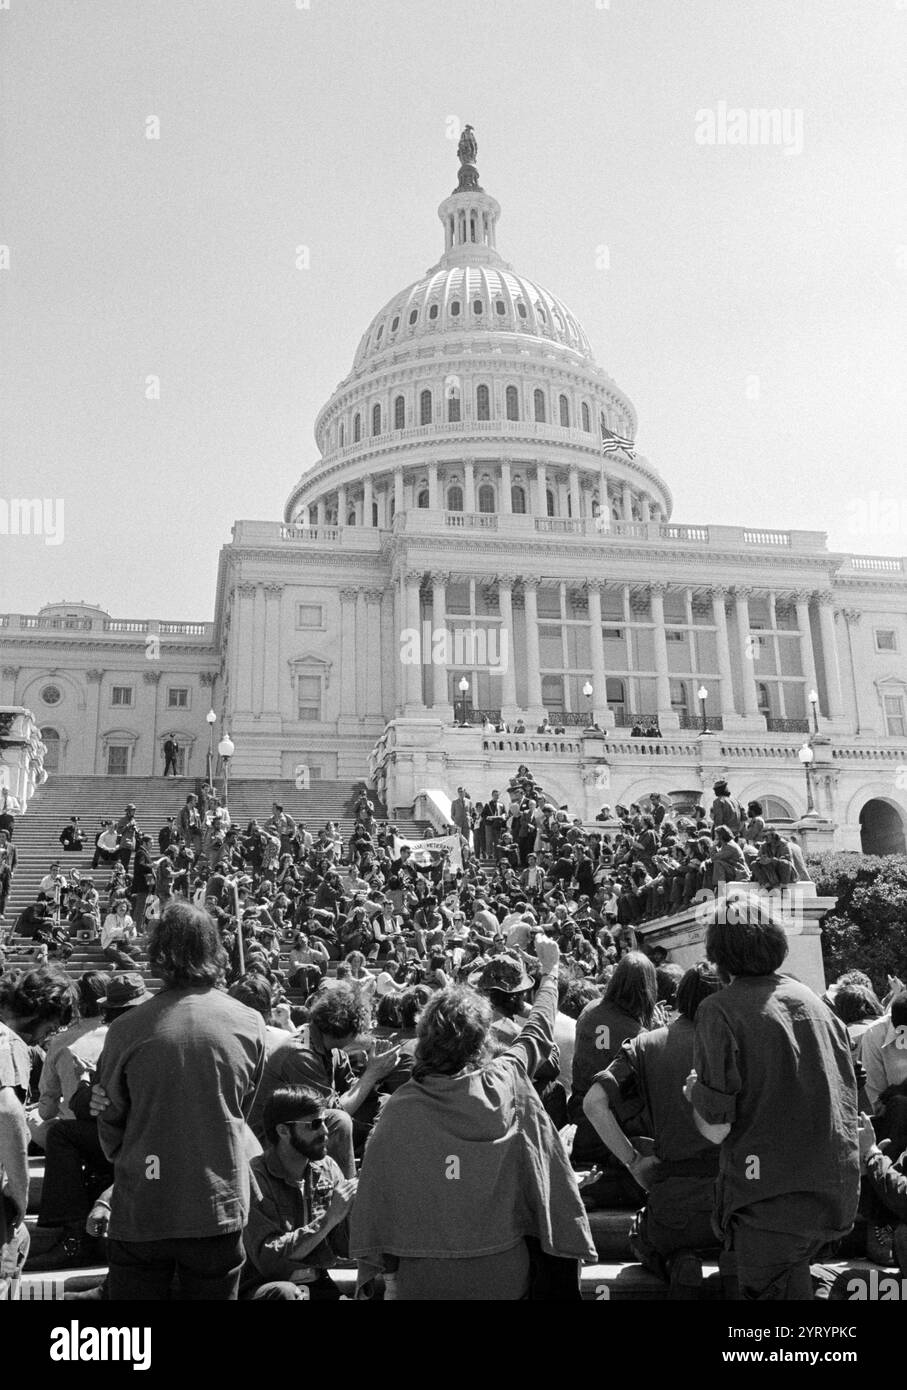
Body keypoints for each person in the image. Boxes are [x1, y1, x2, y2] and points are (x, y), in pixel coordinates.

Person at [350, 935, 596, 1299]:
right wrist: (550, 970)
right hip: (504, 1277)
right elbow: (540, 1027)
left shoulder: (398, 1109)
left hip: (423, 1283)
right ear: (481, 1042)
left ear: (424, 1039)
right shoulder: (506, 1077)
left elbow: (375, 1206)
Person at [685, 902, 860, 1300]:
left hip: (769, 1202)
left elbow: (715, 1129)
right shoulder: (817, 1003)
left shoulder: (719, 1010)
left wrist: (693, 1093)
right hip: (834, 1193)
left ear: (718, 954)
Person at [93, 901, 267, 1300]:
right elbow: (244, 1108)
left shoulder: (125, 1029)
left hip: (144, 1204)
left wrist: (133, 1152)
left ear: (158, 952)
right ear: (215, 950)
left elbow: (110, 1118)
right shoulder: (250, 1022)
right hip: (216, 1203)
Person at [582, 962, 723, 1297]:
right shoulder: (745, 1043)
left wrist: (632, 1160)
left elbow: (593, 1104)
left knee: (643, 1237)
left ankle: (678, 1261)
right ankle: (731, 1264)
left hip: (673, 1205)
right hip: (739, 1201)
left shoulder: (644, 1045)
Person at [247, 984, 399, 1176]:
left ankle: (373, 1169)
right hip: (274, 1137)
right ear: (349, 1031)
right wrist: (371, 1074)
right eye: (361, 1030)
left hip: (302, 1125)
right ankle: (346, 1191)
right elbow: (330, 1112)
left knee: (387, 1101)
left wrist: (378, 1069)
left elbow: (353, 1090)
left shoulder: (330, 1049)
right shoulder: (300, 1054)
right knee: (338, 1121)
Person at [0, 967, 77, 1299]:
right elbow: (7, 1111)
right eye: (55, 1025)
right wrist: (19, 1195)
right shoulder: (8, 1042)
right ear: (43, 1013)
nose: (51, 1033)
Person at [241, 1086, 356, 1301]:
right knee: (286, 1293)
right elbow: (270, 1259)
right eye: (314, 1124)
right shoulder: (254, 1179)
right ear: (283, 1131)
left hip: (316, 1282)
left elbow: (345, 1248)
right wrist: (329, 1219)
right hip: (264, 1286)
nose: (325, 1132)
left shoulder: (327, 1168)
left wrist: (355, 1214)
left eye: (323, 1121)